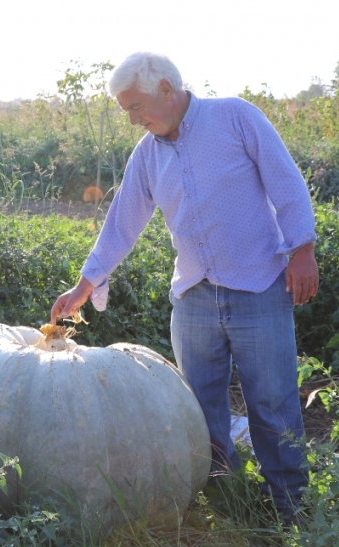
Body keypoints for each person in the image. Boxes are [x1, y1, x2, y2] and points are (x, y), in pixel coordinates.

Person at [50, 52, 318, 520]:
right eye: (125, 111)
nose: (132, 119)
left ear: (167, 91)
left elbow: (286, 183)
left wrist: (303, 250)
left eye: (136, 107)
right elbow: (123, 221)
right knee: (200, 406)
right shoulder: (148, 154)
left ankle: (289, 507)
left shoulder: (236, 117)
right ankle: (225, 498)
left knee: (273, 402)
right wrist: (85, 284)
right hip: (194, 296)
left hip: (258, 286)